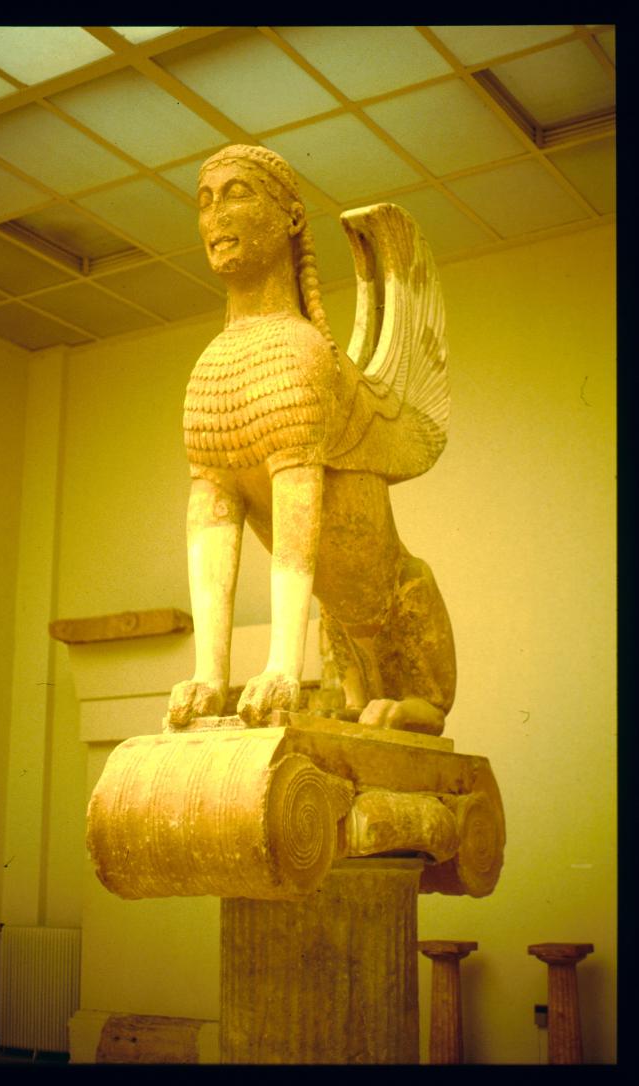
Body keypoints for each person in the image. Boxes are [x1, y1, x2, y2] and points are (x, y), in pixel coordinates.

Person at [167, 144, 455, 733]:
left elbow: (299, 503)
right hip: (341, 625)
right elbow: (213, 507)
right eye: (206, 201)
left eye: (238, 194)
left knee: (412, 580)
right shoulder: (214, 361)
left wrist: (282, 668)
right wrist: (209, 677)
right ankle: (212, 675)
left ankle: (416, 699)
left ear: (292, 219)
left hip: (389, 601)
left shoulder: (307, 355)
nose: (216, 215)